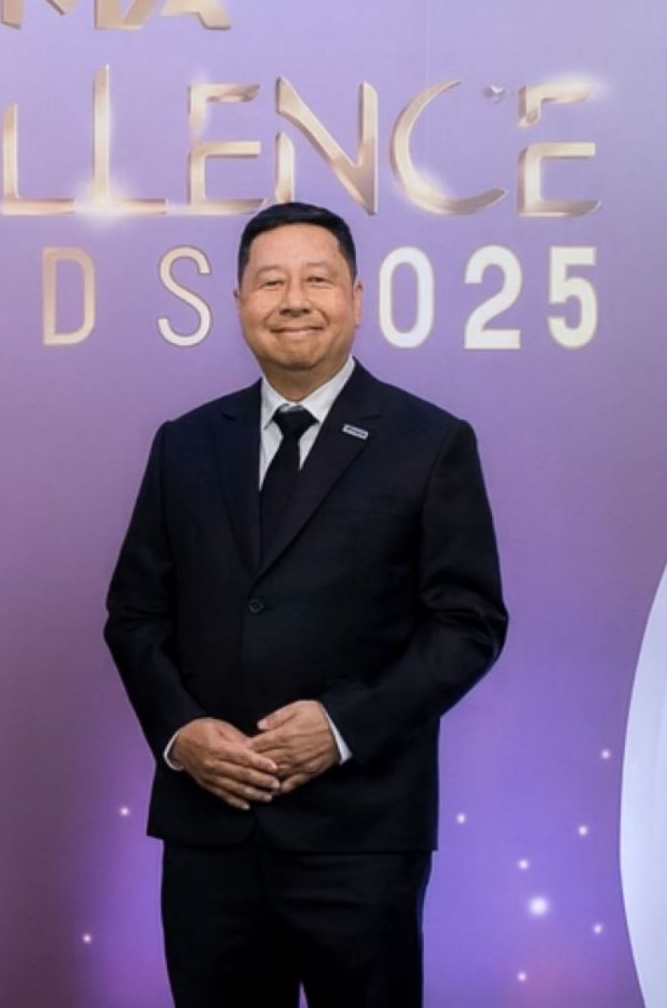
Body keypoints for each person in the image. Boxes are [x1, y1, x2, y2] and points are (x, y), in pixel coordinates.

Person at [104, 202, 507, 1007]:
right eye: (271, 282)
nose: (294, 300)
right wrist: (181, 735)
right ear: (238, 303)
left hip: (361, 836)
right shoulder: (185, 443)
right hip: (210, 831)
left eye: (317, 280)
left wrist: (341, 726)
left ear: (356, 298)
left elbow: (468, 625)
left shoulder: (429, 442)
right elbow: (136, 616)